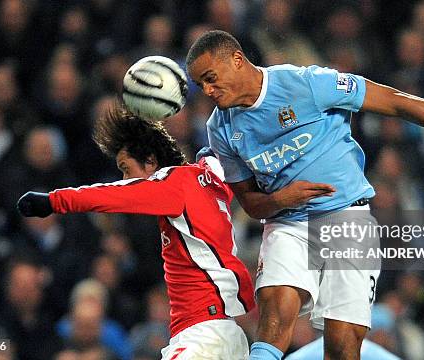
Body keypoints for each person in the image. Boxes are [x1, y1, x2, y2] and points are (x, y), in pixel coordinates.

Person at [186, 30, 424, 360]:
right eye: (201, 84)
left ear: (237, 60)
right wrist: (282, 199)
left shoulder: (306, 85)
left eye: (211, 78)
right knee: (275, 310)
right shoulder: (221, 128)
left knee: (344, 345)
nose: (208, 90)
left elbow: (394, 101)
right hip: (287, 224)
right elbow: (249, 202)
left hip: (347, 217)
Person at [17, 106, 255, 360]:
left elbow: (112, 195)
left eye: (126, 168)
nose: (124, 178)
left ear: (151, 161)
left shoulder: (171, 182)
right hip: (227, 332)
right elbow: (217, 157)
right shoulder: (209, 177)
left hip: (201, 336)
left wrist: (52, 201)